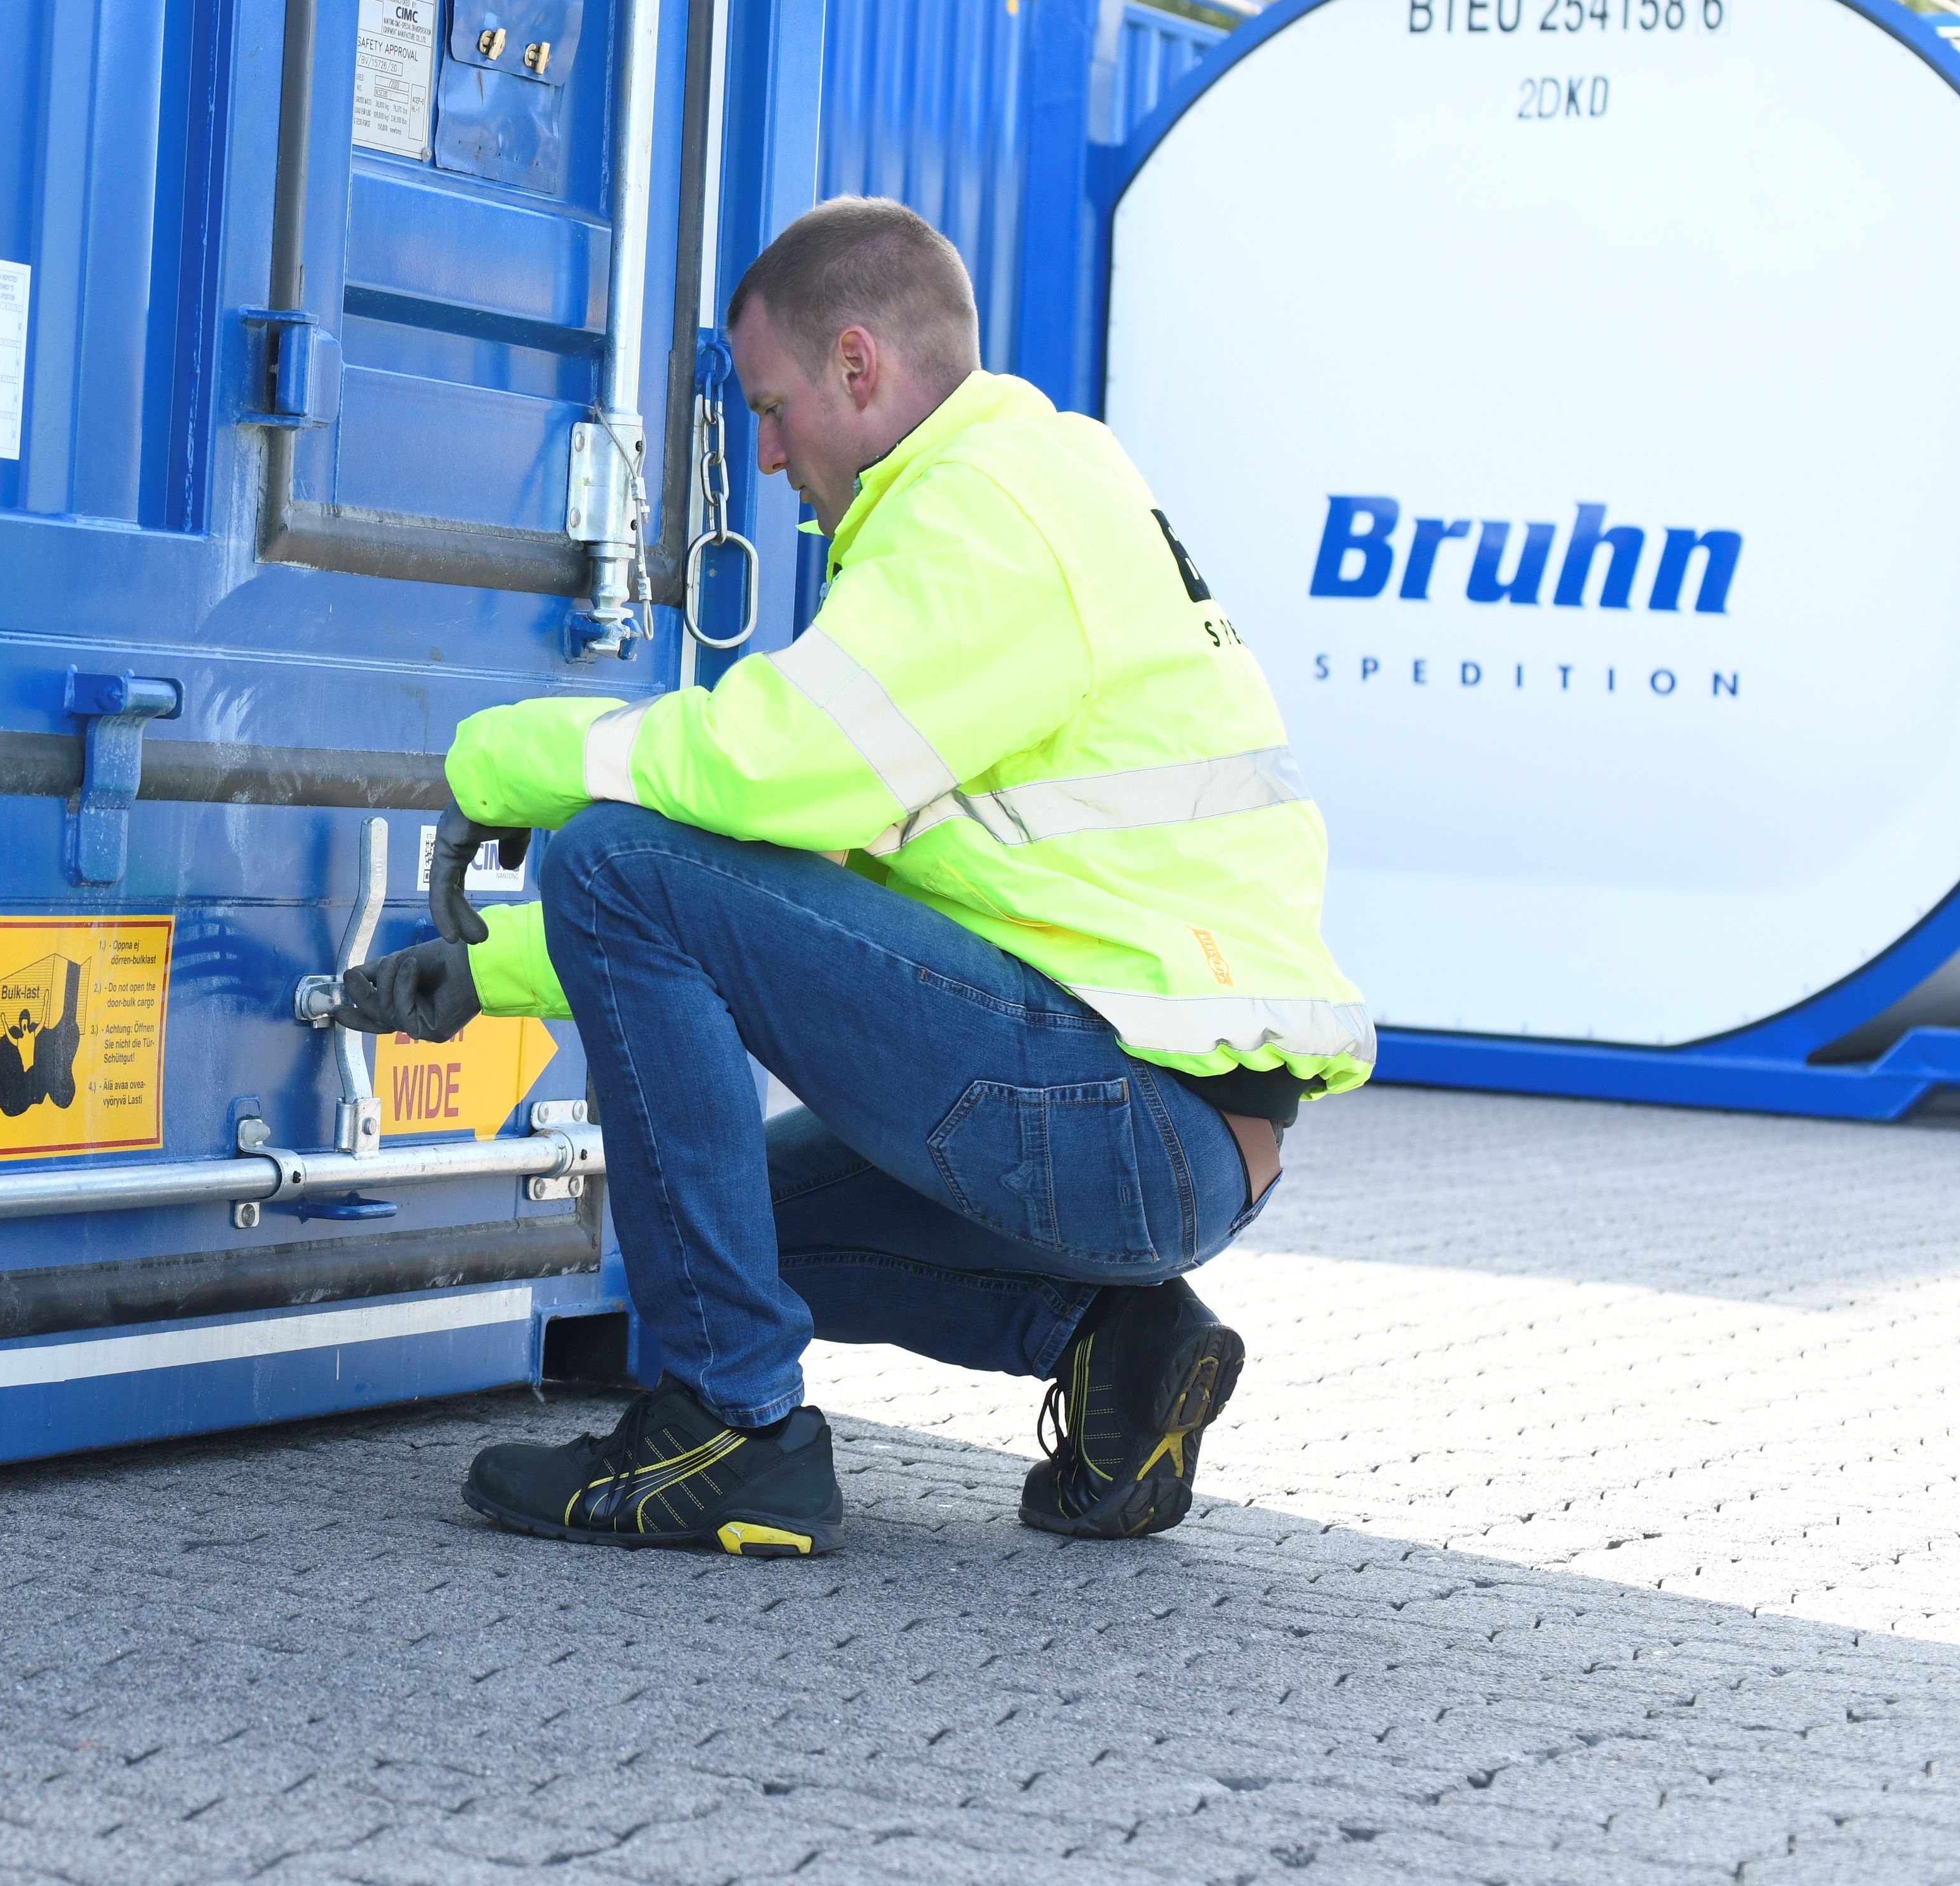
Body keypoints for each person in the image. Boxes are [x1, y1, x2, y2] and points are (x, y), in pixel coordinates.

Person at [336, 195, 1369, 1556]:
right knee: (721, 1227)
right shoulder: (1030, 486)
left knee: (612, 861)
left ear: (859, 365)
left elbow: (768, 773)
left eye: (771, 409)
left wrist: (513, 759)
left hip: (1126, 1116)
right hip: (1168, 1128)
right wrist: (496, 973)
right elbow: (808, 874)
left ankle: (728, 1431)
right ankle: (1117, 1339)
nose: (766, 456)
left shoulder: (986, 515)